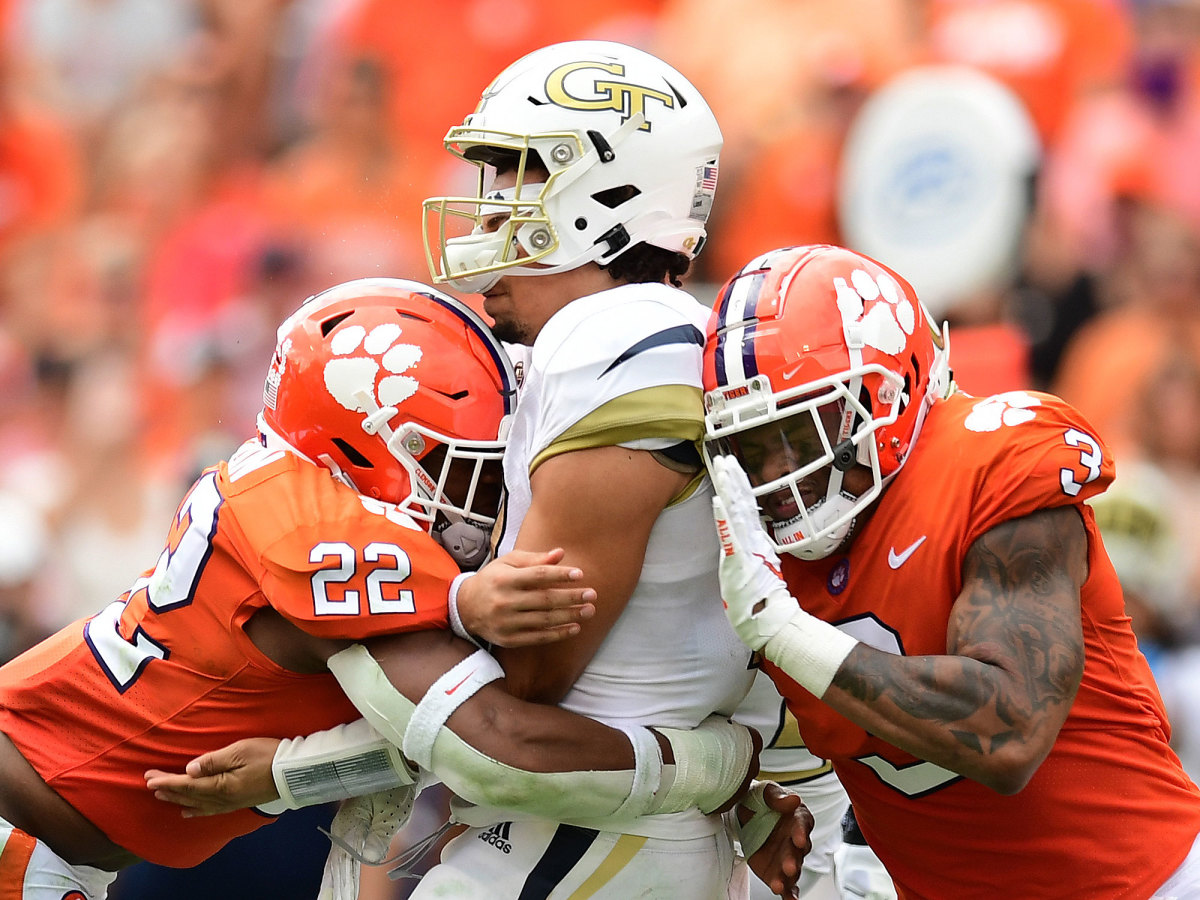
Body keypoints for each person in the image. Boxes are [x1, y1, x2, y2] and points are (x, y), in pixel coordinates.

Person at [0, 277, 776, 899]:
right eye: (457, 467)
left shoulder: (291, 503)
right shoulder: (316, 533)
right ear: (359, 442)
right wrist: (727, 763)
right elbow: (499, 744)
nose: (481, 503)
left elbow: (420, 733)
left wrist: (292, 770)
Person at [411, 38, 808, 899]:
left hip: (587, 835)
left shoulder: (615, 336)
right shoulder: (654, 333)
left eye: (517, 176)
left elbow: (536, 667)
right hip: (640, 823)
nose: (489, 215)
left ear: (606, 195)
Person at [701, 242, 1200, 898]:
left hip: (1141, 885)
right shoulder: (763, 547)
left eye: (800, 434)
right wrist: (765, 805)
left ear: (887, 392)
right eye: (752, 448)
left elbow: (1010, 729)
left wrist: (784, 630)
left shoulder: (996, 464)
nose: (775, 477)